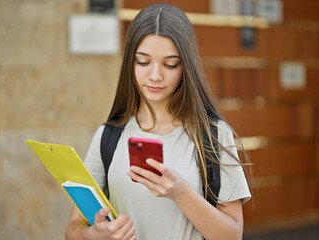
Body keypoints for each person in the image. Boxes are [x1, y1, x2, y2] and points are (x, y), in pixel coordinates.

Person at [65, 3, 251, 240]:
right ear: (130, 63)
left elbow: (233, 236)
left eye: (170, 64)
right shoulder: (109, 135)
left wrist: (180, 192)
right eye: (143, 61)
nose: (155, 75)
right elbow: (72, 229)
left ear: (186, 66)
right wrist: (93, 235)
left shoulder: (213, 135)